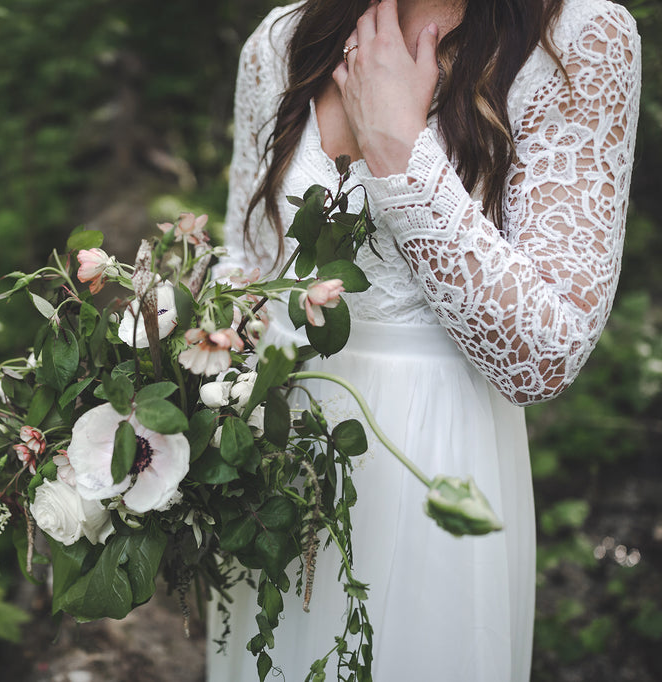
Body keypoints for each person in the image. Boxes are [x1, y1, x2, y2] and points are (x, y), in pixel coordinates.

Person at [209, 0, 641, 680]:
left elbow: (544, 357)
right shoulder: (284, 38)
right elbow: (245, 266)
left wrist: (399, 151)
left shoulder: (578, 37)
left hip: (434, 457)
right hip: (273, 478)